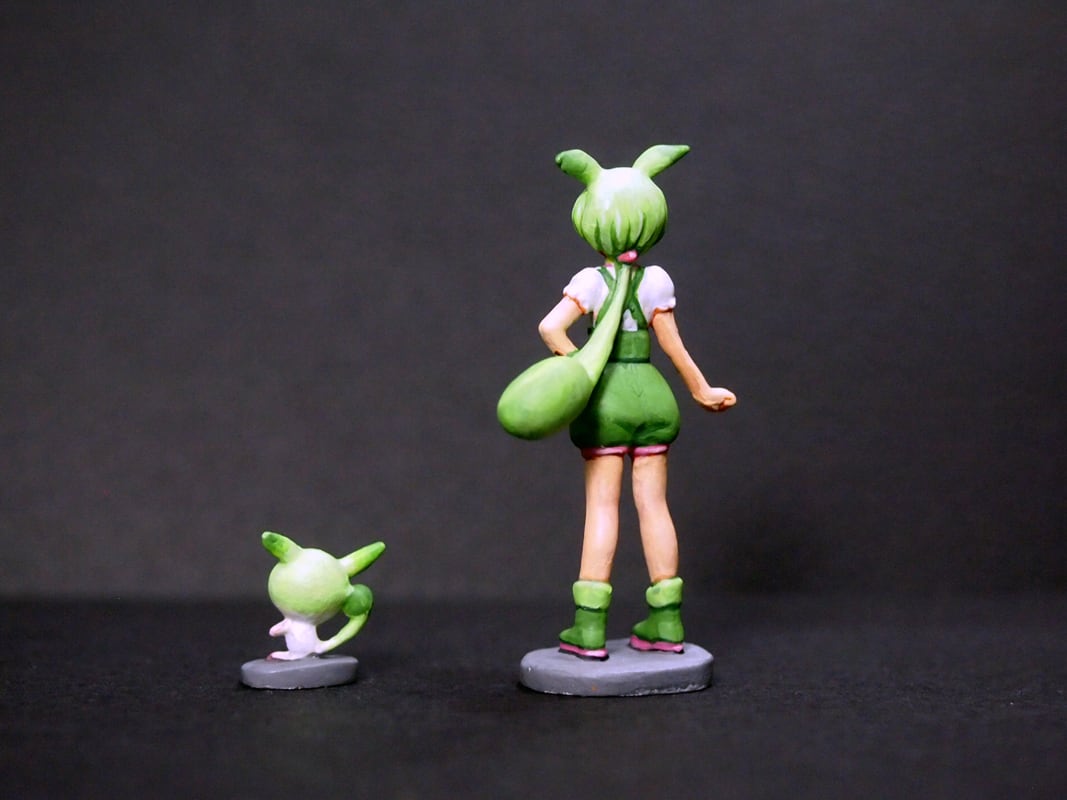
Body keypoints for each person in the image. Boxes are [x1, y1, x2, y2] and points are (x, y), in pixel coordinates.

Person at [536, 145, 735, 660]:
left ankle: (589, 625)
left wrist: (581, 368)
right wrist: (701, 390)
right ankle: (667, 620)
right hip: (653, 398)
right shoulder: (656, 282)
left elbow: (551, 328)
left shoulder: (590, 282)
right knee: (654, 506)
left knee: (603, 507)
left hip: (607, 404)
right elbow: (674, 347)